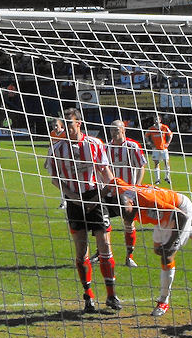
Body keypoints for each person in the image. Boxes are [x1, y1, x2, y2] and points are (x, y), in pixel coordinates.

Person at [46, 107, 121, 313]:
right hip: (74, 200)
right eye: (64, 126)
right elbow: (56, 179)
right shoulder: (56, 149)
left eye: (69, 125)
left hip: (95, 197)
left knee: (105, 246)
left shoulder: (95, 144)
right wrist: (73, 199)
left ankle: (111, 295)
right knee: (81, 251)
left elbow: (105, 171)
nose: (65, 130)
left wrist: (111, 191)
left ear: (78, 123)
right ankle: (88, 296)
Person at [102, 178, 192, 316]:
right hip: (164, 215)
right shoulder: (122, 191)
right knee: (158, 250)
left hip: (180, 211)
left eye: (130, 214)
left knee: (166, 255)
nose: (129, 218)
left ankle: (163, 301)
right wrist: (97, 198)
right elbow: (113, 181)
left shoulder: (150, 203)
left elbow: (181, 216)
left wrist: (171, 243)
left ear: (132, 203)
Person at [92, 120, 147, 267]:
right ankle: (100, 253)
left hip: (126, 192)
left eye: (116, 130)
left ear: (123, 130)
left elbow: (141, 166)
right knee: (102, 223)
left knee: (129, 222)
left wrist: (137, 185)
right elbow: (100, 168)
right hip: (109, 191)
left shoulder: (132, 146)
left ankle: (129, 256)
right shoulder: (106, 147)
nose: (114, 133)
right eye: (111, 131)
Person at [145, 115, 173, 185]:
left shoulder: (164, 127)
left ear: (160, 120)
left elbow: (170, 135)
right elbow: (146, 136)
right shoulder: (151, 128)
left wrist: (168, 143)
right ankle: (157, 179)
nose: (156, 121)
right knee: (156, 163)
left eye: (157, 119)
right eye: (155, 119)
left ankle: (167, 177)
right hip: (155, 149)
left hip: (164, 149)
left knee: (166, 162)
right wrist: (149, 143)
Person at [49, 118, 67, 209]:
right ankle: (67, 196)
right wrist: (47, 160)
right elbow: (51, 147)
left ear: (61, 125)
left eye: (56, 125)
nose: (55, 127)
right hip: (54, 159)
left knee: (62, 180)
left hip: (63, 160)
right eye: (53, 126)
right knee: (55, 181)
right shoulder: (52, 133)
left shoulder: (65, 134)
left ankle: (64, 201)